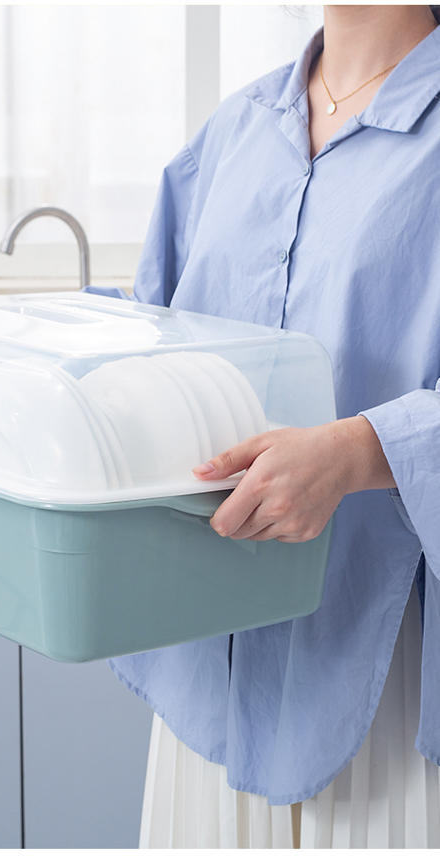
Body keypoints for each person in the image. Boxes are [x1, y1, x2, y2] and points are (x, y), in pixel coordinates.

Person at [106, 5, 440, 849]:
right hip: (206, 658)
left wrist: (360, 451)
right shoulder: (236, 130)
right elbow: (155, 332)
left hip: (381, 658)